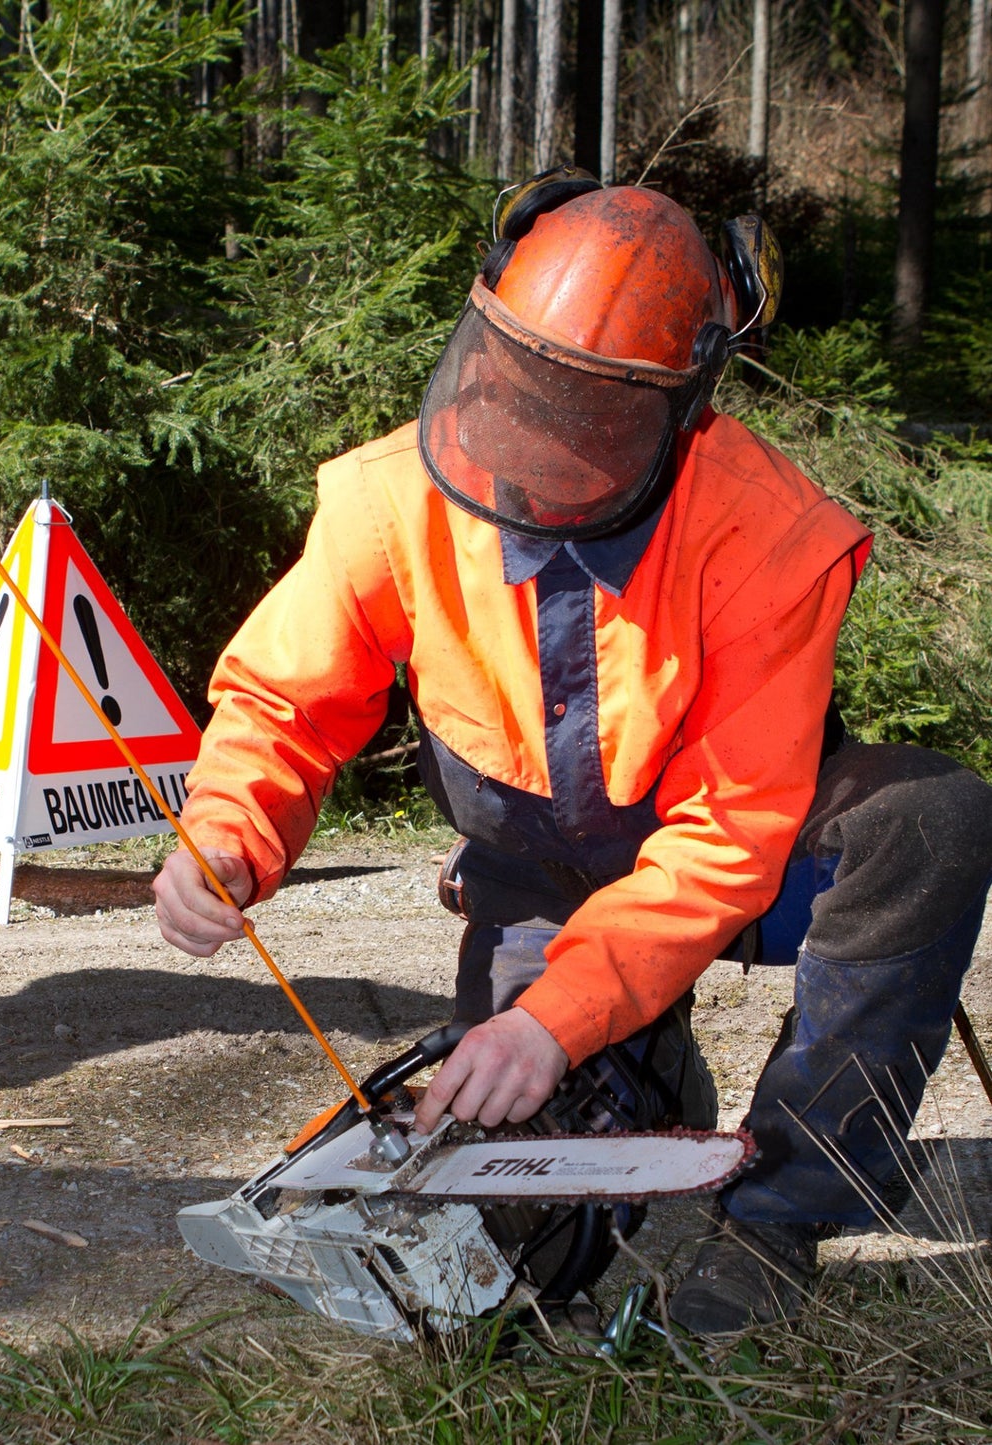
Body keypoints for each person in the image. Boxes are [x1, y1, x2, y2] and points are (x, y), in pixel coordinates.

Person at [151, 167, 992, 1335]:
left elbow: (728, 832)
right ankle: (647, 1081)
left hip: (730, 859)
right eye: (520, 388)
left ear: (678, 406)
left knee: (929, 815)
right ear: (483, 341)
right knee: (510, 1216)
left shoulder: (769, 537)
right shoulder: (388, 498)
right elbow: (284, 696)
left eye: (590, 416)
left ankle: (781, 1213)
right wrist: (226, 834)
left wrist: (562, 1012)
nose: (536, 445)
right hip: (538, 865)